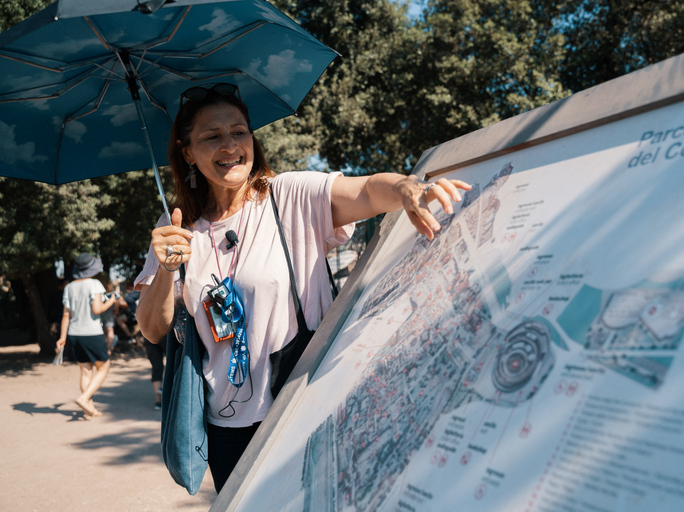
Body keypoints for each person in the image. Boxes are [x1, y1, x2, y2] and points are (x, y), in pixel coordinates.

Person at [134, 82, 471, 492]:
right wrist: (168, 268)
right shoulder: (174, 229)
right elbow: (152, 329)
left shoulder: (287, 195)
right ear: (187, 151)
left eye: (239, 131)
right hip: (226, 428)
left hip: (302, 407)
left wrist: (407, 188)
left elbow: (365, 191)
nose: (230, 145)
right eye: (212, 136)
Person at [56, 252, 120, 419]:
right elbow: (97, 309)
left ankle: (88, 408)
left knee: (85, 371)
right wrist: (111, 301)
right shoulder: (94, 284)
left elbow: (65, 315)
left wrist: (62, 337)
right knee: (104, 366)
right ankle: (84, 398)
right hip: (91, 332)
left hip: (74, 334)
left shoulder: (69, 287)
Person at [101, 282, 119, 355]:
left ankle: (107, 349)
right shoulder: (113, 295)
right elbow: (116, 309)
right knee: (108, 331)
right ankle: (108, 349)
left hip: (104, 314)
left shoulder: (101, 294)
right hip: (107, 315)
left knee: (106, 332)